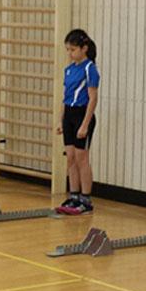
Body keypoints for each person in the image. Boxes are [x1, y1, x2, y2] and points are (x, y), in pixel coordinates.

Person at [56, 29, 100, 215]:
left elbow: (93, 98)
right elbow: (65, 97)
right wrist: (61, 121)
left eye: (73, 49)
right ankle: (74, 195)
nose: (70, 53)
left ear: (84, 48)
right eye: (68, 49)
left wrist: (85, 124)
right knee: (71, 157)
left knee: (82, 158)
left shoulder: (90, 68)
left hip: (83, 114)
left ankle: (86, 199)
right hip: (69, 114)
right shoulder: (68, 69)